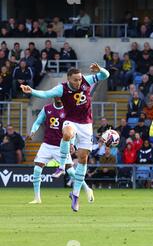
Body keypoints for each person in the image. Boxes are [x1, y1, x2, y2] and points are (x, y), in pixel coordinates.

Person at [20, 63, 109, 212]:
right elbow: (45, 94)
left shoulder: (87, 80)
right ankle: (61, 166)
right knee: (67, 133)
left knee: (82, 159)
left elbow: (105, 75)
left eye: (79, 79)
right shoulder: (61, 88)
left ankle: (75, 195)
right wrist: (31, 91)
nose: (78, 82)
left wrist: (101, 69)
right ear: (68, 79)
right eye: (75, 80)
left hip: (86, 125)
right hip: (71, 121)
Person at [26, 97, 93, 204]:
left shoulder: (68, 110)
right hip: (47, 145)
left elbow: (73, 129)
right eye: (57, 96)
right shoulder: (47, 108)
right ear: (54, 97)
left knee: (71, 171)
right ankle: (37, 198)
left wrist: (71, 143)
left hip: (61, 146)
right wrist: (32, 131)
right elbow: (38, 122)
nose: (59, 98)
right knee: (37, 169)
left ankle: (87, 188)